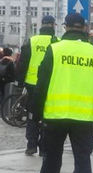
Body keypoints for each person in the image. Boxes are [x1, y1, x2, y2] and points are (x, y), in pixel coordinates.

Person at [30, 13, 93, 173]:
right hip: (84, 118)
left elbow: (41, 85)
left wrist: (36, 115)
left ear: (65, 27)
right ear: (84, 28)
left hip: (56, 115)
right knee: (83, 161)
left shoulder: (54, 49)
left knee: (52, 156)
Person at [16, 15, 59, 156]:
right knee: (47, 116)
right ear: (53, 25)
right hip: (50, 85)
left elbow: (23, 63)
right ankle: (44, 147)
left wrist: (19, 83)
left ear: (41, 25)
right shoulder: (57, 42)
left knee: (32, 115)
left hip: (32, 85)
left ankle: (31, 145)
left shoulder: (32, 41)